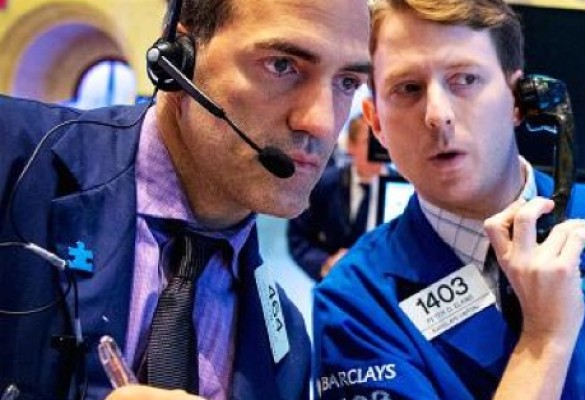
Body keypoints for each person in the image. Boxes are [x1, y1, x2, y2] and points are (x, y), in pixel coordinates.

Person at [312, 0, 585, 399]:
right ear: (376, 122)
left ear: (518, 101)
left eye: (465, 79)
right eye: (408, 89)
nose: (438, 115)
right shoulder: (356, 303)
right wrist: (544, 341)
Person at [0, 0, 370, 398]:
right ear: (178, 59)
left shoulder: (287, 352)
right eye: (282, 65)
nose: (323, 123)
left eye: (347, 82)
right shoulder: (12, 154)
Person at [289, 114, 385, 281]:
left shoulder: (403, 190)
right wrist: (325, 264)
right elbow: (298, 238)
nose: (378, 149)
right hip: (335, 283)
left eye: (383, 141)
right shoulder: (324, 184)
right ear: (351, 146)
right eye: (369, 142)